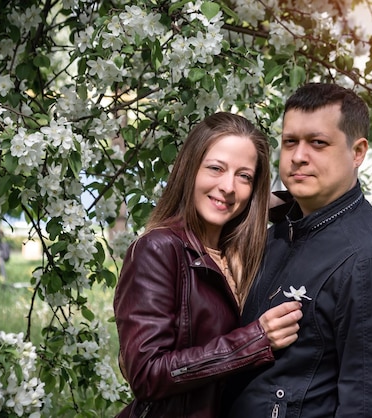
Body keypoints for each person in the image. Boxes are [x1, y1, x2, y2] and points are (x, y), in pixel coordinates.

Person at [224, 84, 372, 417]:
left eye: (318, 143)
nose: (299, 156)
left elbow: (371, 407)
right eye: (290, 142)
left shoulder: (370, 261)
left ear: (358, 153)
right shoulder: (278, 235)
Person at [113, 112, 303, 418]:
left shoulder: (241, 251)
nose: (228, 186)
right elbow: (146, 373)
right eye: (216, 168)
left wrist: (255, 201)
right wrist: (255, 340)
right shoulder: (159, 249)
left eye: (244, 176)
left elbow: (300, 210)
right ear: (190, 169)